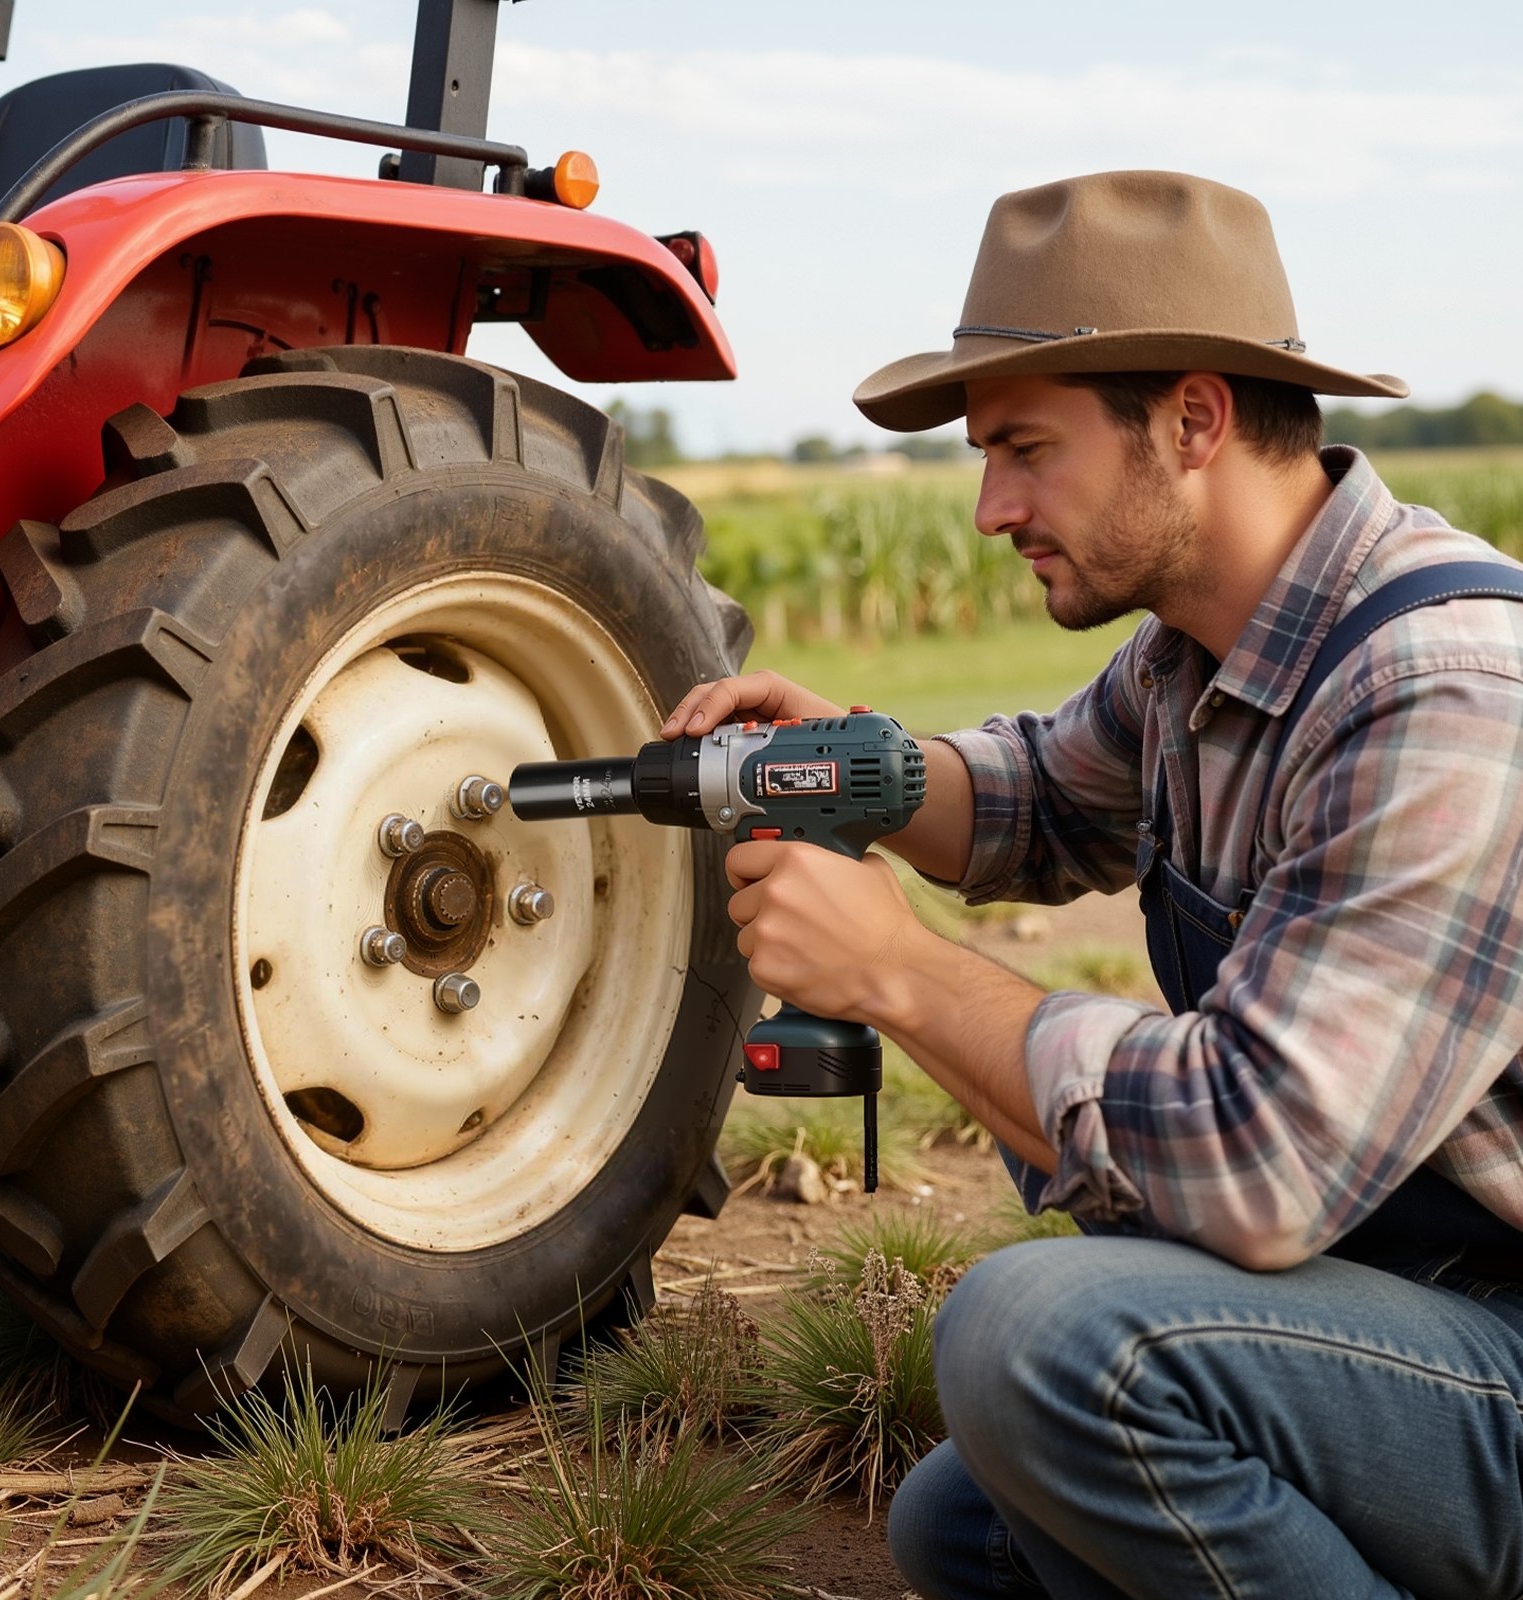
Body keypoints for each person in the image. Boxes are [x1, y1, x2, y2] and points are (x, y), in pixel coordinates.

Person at [661, 170, 1523, 1598]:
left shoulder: (1445, 697)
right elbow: (1041, 798)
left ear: (1192, 422)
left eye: (1023, 450)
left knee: (1045, 1342)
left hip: (1497, 1350)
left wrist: (899, 971)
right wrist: (852, 767)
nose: (994, 508)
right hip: (1407, 1312)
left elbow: (1262, 1165)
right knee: (967, 1525)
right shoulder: (1194, 658)